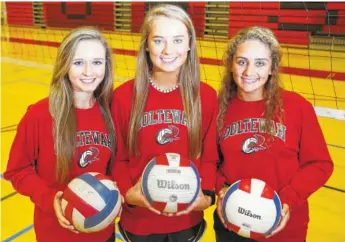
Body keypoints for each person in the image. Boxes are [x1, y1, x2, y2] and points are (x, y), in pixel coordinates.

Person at [214, 26, 334, 242]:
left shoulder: (297, 107)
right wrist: (221, 188)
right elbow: (208, 161)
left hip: (283, 226)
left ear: (272, 68)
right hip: (231, 223)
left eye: (260, 63)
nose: (249, 72)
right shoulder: (217, 108)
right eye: (242, 62)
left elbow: (320, 164)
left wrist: (287, 200)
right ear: (231, 64)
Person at [111, 4, 218, 242]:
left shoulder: (207, 97)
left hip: (187, 219)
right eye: (159, 40)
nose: (168, 50)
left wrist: (208, 197)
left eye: (178, 40)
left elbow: (210, 157)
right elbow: (118, 158)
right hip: (139, 221)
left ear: (190, 43)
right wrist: (129, 194)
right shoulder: (123, 96)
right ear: (146, 45)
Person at [4, 27, 117, 242]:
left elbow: (118, 164)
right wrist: (49, 198)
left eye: (97, 62)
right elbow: (17, 170)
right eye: (77, 62)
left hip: (102, 231)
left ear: (107, 66)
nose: (88, 72)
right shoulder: (39, 115)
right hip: (55, 233)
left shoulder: (112, 112)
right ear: (64, 65)